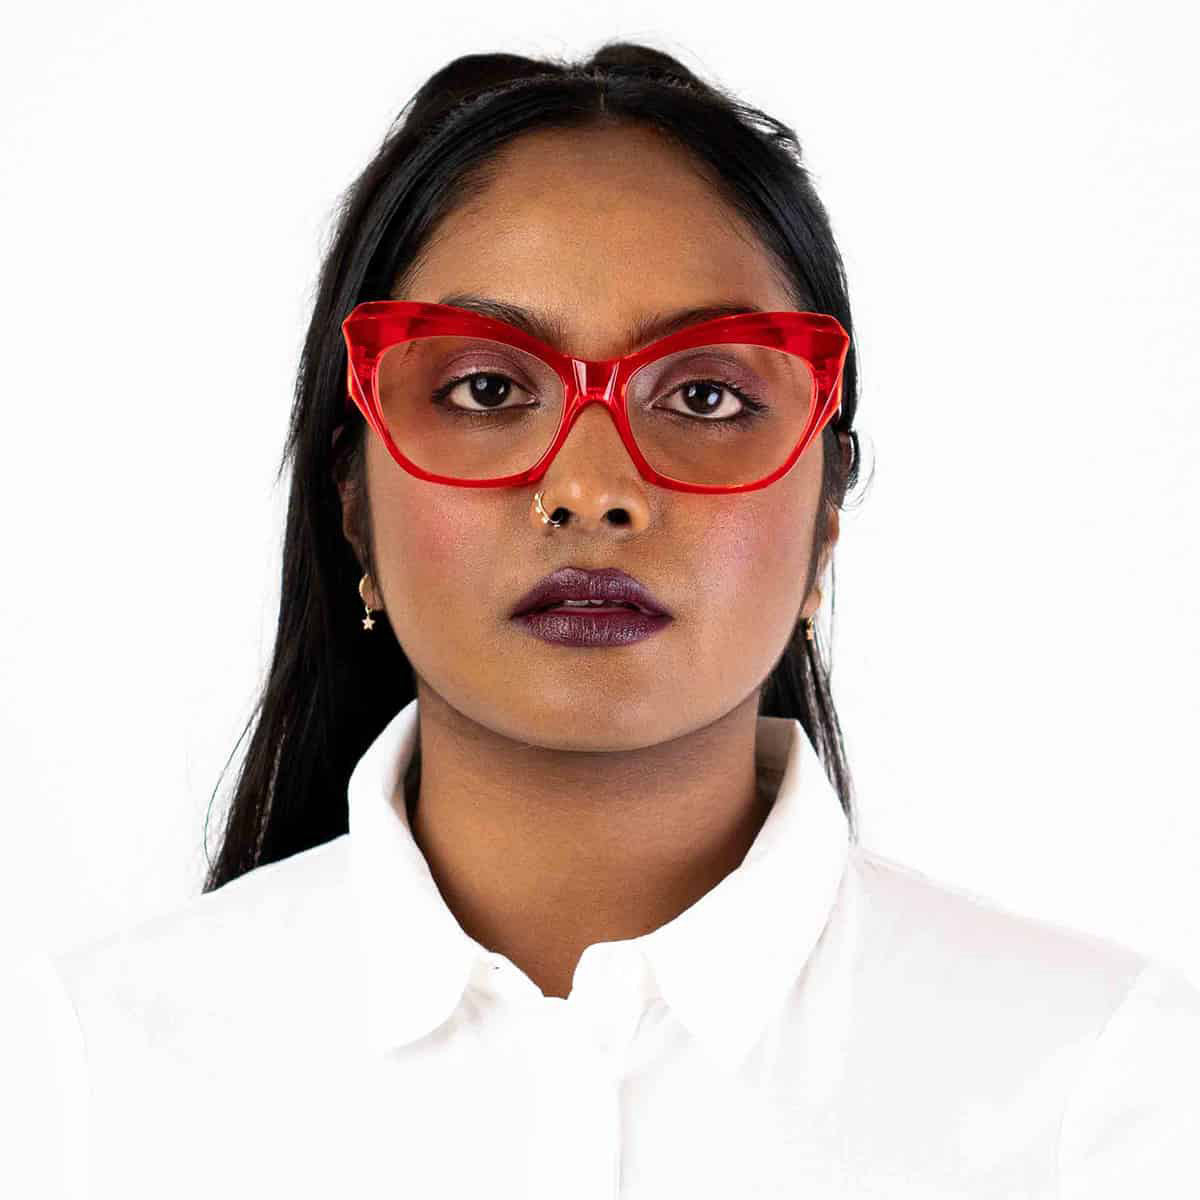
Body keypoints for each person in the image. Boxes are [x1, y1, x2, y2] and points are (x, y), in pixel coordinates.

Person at [4, 41, 1198, 1199]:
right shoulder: (78, 1078)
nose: (591, 487)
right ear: (353, 503)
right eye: (486, 388)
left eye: (706, 394)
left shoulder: (1111, 1084)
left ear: (825, 514)